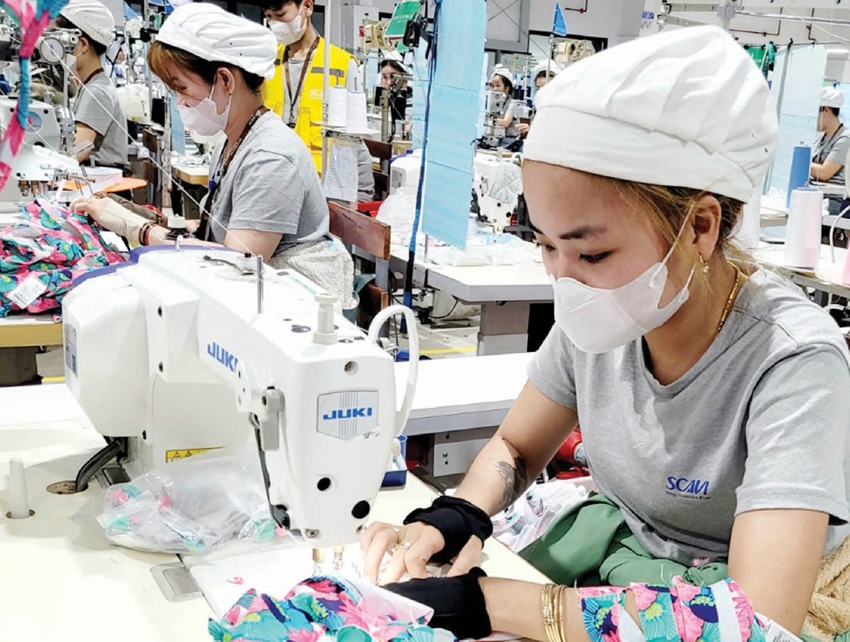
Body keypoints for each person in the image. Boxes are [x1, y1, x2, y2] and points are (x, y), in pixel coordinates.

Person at [361, 26, 850, 642]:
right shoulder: (609, 310)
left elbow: (756, 619)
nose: (563, 279)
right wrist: (457, 514)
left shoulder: (794, 361)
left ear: (700, 227)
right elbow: (516, 448)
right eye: (545, 245)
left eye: (591, 254)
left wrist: (494, 602)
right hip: (625, 564)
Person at [72, 3, 355, 307]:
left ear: (225, 81)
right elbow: (212, 233)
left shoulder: (271, 156)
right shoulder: (232, 141)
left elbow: (238, 263)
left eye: (182, 88)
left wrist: (137, 229)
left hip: (298, 310)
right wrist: (134, 214)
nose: (180, 102)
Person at [260, 0, 374, 201]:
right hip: (274, 184)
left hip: (321, 194)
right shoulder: (265, 63)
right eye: (269, 17)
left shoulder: (341, 65)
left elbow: (354, 143)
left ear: (307, 7)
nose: (275, 24)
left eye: (281, 15)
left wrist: (360, 196)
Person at [56, 0, 128, 170]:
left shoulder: (97, 91)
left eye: (60, 41)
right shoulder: (91, 85)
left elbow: (77, 151)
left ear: (82, 44)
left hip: (104, 182)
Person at [811, 87, 850, 215]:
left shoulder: (845, 138)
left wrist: (800, 162)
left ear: (826, 110)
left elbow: (824, 173)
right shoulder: (820, 138)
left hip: (834, 201)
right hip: (817, 195)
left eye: (815, 113)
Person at [517, 61, 561, 137]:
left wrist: (532, 130)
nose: (540, 92)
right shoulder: (541, 107)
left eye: (544, 88)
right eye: (538, 88)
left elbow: (555, 133)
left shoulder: (560, 109)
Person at [489, 67, 520, 148]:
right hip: (496, 137)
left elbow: (505, 123)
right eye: (492, 86)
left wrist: (490, 119)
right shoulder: (493, 102)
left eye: (498, 85)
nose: (494, 89)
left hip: (509, 140)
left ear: (507, 88)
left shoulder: (512, 104)